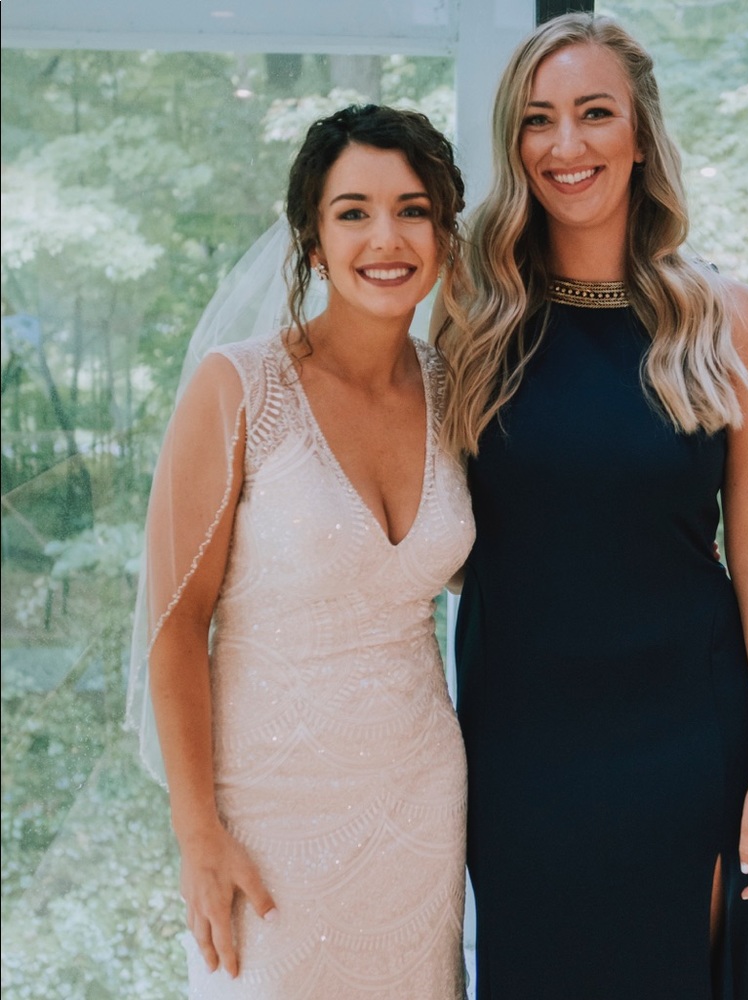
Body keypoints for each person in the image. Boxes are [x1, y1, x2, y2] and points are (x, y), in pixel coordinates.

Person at [435, 12, 748, 999]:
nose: (567, 144)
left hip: (687, 741)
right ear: (515, 143)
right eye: (538, 119)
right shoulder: (472, 317)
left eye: (595, 113)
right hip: (519, 747)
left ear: (640, 134)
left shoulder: (727, 319)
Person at [127, 105, 474, 999]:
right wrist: (198, 835)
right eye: (353, 212)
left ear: (443, 234)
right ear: (314, 242)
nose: (386, 237)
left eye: (413, 210)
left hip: (421, 809)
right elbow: (176, 626)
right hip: (266, 824)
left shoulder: (456, 391)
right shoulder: (239, 387)